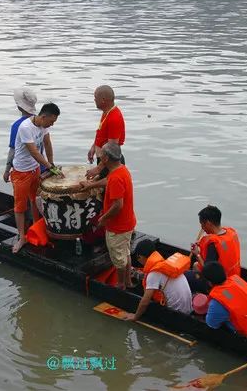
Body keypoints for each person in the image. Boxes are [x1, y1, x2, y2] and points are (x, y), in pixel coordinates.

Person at [80, 142, 136, 289]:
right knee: (125, 252)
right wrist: (91, 185)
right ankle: (128, 281)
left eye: (101, 155)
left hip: (118, 226)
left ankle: (121, 284)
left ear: (105, 159)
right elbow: (109, 180)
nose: (99, 156)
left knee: (118, 258)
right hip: (128, 222)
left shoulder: (117, 177)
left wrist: (103, 219)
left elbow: (118, 205)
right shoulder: (121, 170)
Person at [10, 102, 60, 253]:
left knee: (36, 200)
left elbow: (47, 144)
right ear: (44, 116)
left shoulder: (43, 127)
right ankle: (22, 237)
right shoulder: (26, 127)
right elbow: (34, 152)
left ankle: (37, 228)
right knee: (20, 206)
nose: (51, 125)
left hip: (35, 169)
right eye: (51, 121)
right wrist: (49, 167)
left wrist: (51, 163)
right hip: (21, 172)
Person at [125, 239, 192, 319]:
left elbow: (145, 302)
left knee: (144, 304)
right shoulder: (165, 264)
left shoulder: (153, 274)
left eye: (138, 257)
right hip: (188, 308)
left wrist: (135, 317)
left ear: (140, 256)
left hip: (177, 313)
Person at [202, 261, 247, 340]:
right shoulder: (237, 280)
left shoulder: (217, 303)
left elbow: (212, 324)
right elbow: (230, 297)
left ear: (210, 283)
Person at [186, 205, 241, 293]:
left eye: (202, 225)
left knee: (186, 275)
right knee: (196, 265)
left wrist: (197, 254)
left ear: (208, 223)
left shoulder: (213, 245)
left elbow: (209, 271)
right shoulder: (231, 233)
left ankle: (203, 293)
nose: (202, 228)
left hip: (219, 283)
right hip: (234, 277)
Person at [86, 85, 125, 180]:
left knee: (107, 191)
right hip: (104, 159)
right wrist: (94, 147)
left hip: (110, 162)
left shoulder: (114, 117)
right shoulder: (106, 112)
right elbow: (101, 133)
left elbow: (112, 148)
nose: (94, 100)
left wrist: (98, 169)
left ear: (103, 100)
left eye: (95, 98)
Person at [3, 87, 37, 183]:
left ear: (19, 107)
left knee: (21, 198)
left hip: (23, 171)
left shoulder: (17, 125)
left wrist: (7, 170)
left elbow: (13, 150)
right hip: (38, 167)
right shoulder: (40, 121)